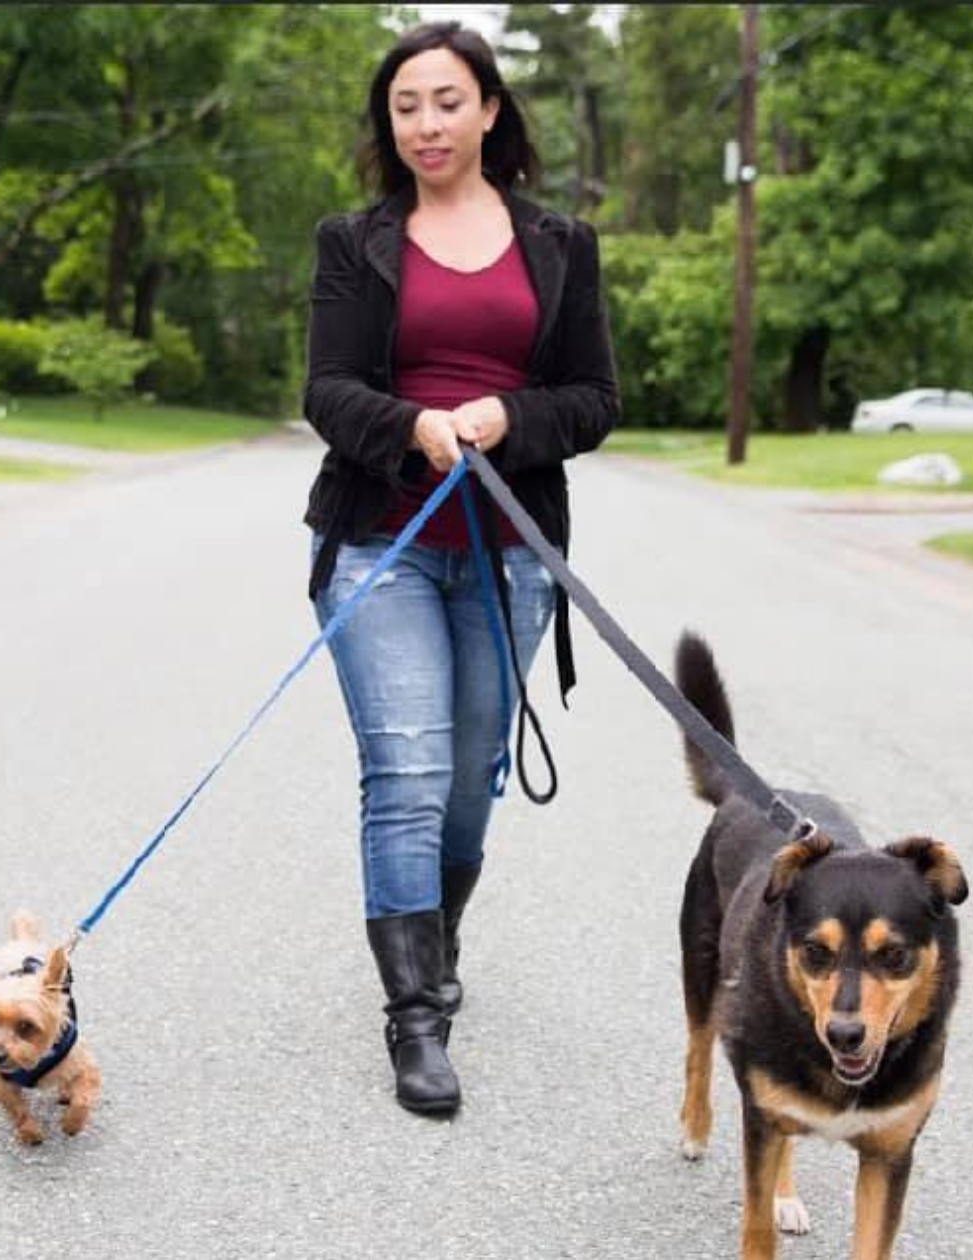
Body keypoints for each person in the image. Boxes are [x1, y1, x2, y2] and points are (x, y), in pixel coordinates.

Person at [301, 20, 619, 1115]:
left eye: (446, 101)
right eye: (404, 106)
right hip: (377, 540)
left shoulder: (560, 245)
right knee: (406, 773)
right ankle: (415, 1019)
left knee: (468, 785)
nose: (425, 123)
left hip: (509, 554)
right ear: (387, 125)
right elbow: (326, 392)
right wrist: (413, 427)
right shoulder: (356, 242)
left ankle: (435, 945)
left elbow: (592, 402)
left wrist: (504, 417)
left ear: (489, 109)